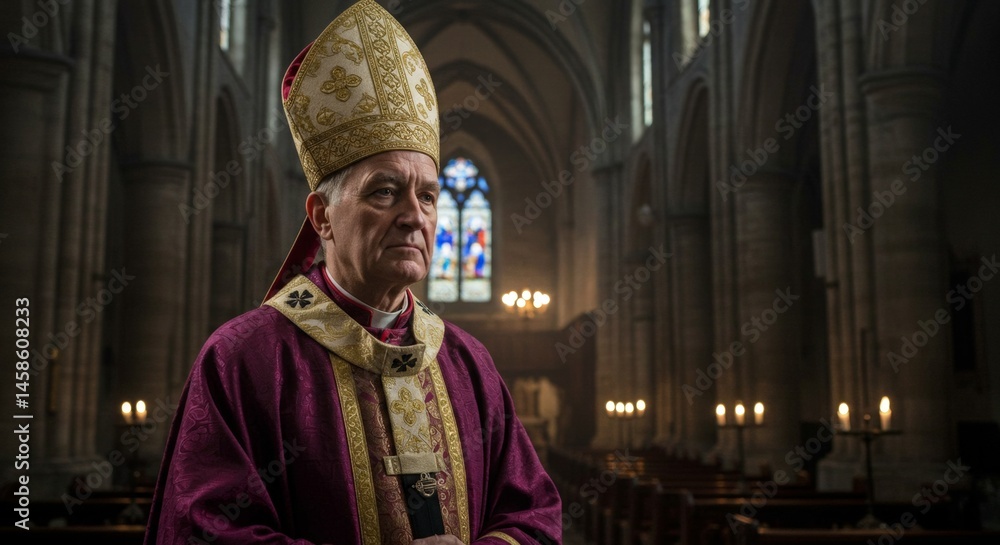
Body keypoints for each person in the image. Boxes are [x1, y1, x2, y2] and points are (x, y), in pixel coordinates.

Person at [143, 1, 562, 544]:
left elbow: (533, 514)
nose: (415, 215)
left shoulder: (468, 364)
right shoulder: (244, 361)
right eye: (385, 191)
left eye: (428, 196)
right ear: (322, 217)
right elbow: (204, 531)